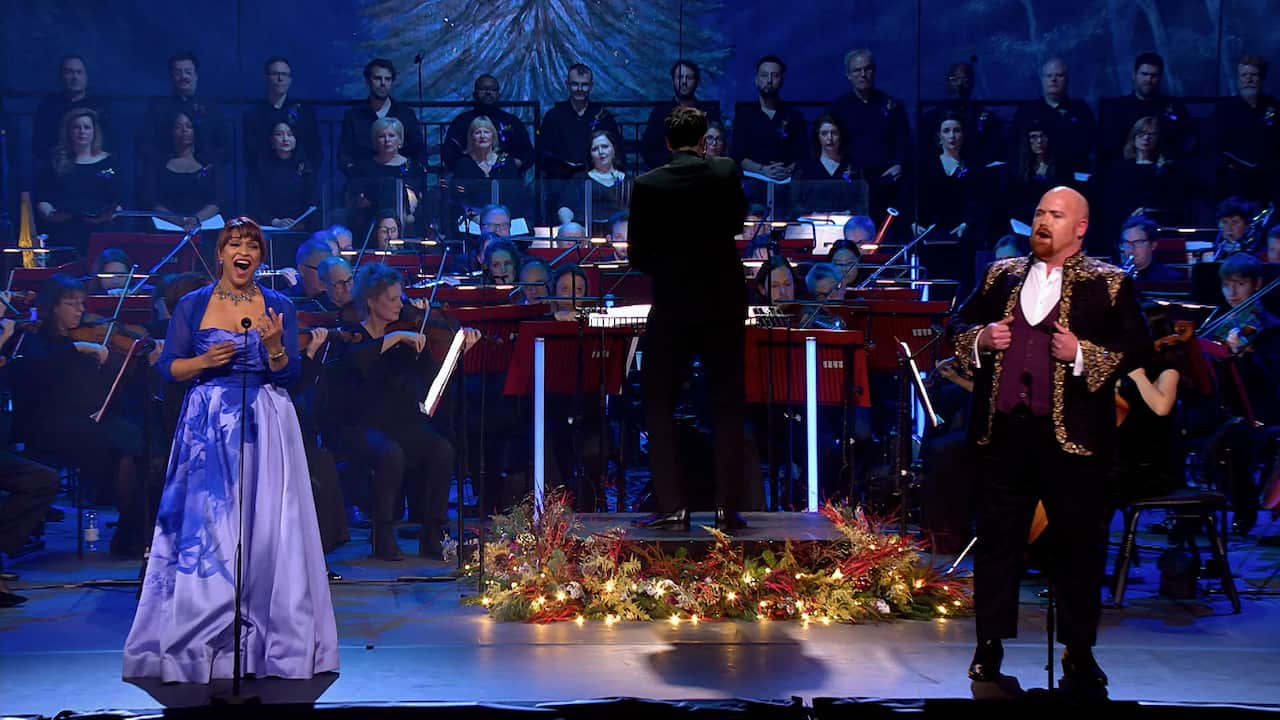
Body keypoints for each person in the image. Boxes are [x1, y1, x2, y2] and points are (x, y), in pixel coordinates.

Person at [947, 186, 1148, 698]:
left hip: (1074, 439)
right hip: (1004, 432)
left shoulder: (1109, 284)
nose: (1043, 221)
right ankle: (988, 645)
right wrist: (980, 339)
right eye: (1039, 212)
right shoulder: (1002, 274)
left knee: (1079, 548)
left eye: (1055, 215)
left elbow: (1136, 349)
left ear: (1079, 227)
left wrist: (1082, 352)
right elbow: (954, 324)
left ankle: (1079, 652)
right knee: (997, 544)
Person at [123, 218, 338, 683]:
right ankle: (204, 637)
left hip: (267, 419)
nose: (244, 252)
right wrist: (202, 362)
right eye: (235, 244)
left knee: (266, 530)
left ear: (261, 257)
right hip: (207, 424)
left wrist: (276, 348)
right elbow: (168, 370)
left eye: (253, 246)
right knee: (211, 529)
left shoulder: (278, 304)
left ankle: (270, 638)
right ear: (220, 253)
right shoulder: (192, 304)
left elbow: (289, 375)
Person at [629, 106, 749, 531]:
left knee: (658, 402)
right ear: (704, 140)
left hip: (674, 305)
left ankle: (672, 505)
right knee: (726, 402)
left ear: (666, 143)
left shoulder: (647, 185)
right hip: (723, 303)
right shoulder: (723, 171)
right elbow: (737, 221)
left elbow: (637, 255)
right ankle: (725, 506)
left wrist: (671, 263)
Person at [329, 263, 479, 559]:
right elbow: (353, 365)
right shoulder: (352, 335)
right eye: (394, 299)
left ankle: (432, 534)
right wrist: (392, 339)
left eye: (401, 298)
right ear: (371, 301)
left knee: (441, 450)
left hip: (400, 422)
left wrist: (457, 355)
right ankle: (382, 535)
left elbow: (433, 380)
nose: (403, 304)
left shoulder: (408, 337)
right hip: (357, 424)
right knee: (390, 453)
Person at [827, 49, 911, 218]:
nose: (863, 74)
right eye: (857, 70)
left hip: (887, 183)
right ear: (848, 75)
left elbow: (904, 141)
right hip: (852, 183)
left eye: (867, 69)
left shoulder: (891, 105)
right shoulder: (838, 108)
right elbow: (829, 144)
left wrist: (899, 165)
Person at [35, 107, 122, 256]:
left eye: (86, 127)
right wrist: (51, 216)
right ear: (68, 131)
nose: (82, 132)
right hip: (64, 232)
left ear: (94, 131)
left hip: (101, 232)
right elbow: (43, 199)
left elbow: (120, 201)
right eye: (77, 127)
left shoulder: (110, 162)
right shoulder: (55, 163)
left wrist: (105, 216)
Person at [1100, 52, 1196, 165]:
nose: (1149, 79)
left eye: (1154, 75)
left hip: (1166, 174)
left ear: (1160, 77)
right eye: (1144, 74)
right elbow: (1107, 147)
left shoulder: (1174, 106)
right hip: (1126, 174)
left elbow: (1189, 140)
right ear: (1134, 75)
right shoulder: (1116, 108)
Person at [732, 55, 807, 195]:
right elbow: (738, 155)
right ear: (756, 80)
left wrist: (788, 170)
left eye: (775, 76)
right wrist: (763, 169)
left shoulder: (794, 116)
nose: (769, 80)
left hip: (788, 186)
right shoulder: (744, 116)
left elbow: (802, 154)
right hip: (752, 186)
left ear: (782, 80)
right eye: (764, 75)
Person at [139, 51, 228, 166]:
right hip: (167, 173)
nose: (184, 77)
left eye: (188, 72)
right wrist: (167, 164)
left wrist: (204, 164)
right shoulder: (158, 109)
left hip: (204, 173)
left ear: (196, 76)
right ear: (171, 77)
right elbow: (144, 145)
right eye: (178, 72)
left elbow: (225, 148)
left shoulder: (211, 108)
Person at [1011, 58, 1096, 177]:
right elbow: (1016, 144)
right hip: (1034, 176)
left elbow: (1088, 143)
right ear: (1042, 80)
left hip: (1072, 175)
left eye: (1059, 75)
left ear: (1067, 80)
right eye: (1049, 76)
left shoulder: (1080, 109)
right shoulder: (1027, 111)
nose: (1053, 79)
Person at [338, 58, 421, 177]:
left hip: (399, 178)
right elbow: (344, 154)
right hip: (364, 179)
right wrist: (354, 173)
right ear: (368, 81)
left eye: (387, 79)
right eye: (377, 78)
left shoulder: (406, 114)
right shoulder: (353, 116)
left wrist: (410, 180)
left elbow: (417, 151)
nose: (383, 83)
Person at [1214, 55, 1280, 204]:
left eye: (1254, 75)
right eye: (1244, 75)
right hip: (1235, 186)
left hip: (1270, 185)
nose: (1249, 79)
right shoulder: (1225, 109)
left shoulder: (1275, 107)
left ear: (1262, 78)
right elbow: (1216, 146)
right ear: (1238, 79)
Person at [143, 111, 221, 232]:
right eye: (178, 127)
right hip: (167, 228)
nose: (184, 130)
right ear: (171, 132)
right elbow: (153, 201)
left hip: (203, 228)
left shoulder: (208, 165)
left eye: (189, 126)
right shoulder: (157, 165)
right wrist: (180, 221)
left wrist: (195, 220)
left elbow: (216, 201)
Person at [538, 64, 619, 181]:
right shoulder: (553, 116)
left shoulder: (603, 117)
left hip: (596, 178)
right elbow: (543, 152)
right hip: (560, 180)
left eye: (585, 85)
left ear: (591, 86)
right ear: (567, 85)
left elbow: (615, 150)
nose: (580, 89)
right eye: (575, 84)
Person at [348, 117, 427, 235]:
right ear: (375, 141)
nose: (387, 140)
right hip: (371, 226)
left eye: (391, 135)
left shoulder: (414, 168)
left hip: (407, 226)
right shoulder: (364, 168)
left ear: (400, 140)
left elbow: (421, 199)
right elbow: (357, 201)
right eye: (382, 136)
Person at [242, 56, 322, 169]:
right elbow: (250, 154)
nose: (280, 79)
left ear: (290, 80)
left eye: (284, 74)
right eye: (275, 74)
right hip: (265, 178)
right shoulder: (252, 115)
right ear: (266, 78)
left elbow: (314, 149)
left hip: (298, 178)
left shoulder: (304, 112)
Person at [641, 60, 723, 170]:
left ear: (696, 81)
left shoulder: (708, 114)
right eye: (679, 77)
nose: (684, 82)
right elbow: (648, 150)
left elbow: (718, 147)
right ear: (673, 81)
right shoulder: (660, 113)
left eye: (689, 78)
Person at [442, 74, 533, 172]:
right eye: (483, 89)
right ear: (475, 94)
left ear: (498, 94)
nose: (488, 92)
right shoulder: (462, 122)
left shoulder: (512, 122)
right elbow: (450, 154)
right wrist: (469, 167)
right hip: (471, 178)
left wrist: (511, 165)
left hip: (505, 179)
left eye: (493, 89)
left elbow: (527, 153)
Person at [32, 54, 111, 166]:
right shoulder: (49, 106)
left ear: (86, 76)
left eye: (79, 72)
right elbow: (39, 145)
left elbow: (109, 143)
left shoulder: (101, 106)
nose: (75, 77)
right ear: (61, 76)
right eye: (69, 72)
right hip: (56, 166)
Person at [920, 61, 1005, 166]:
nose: (959, 84)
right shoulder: (931, 119)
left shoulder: (987, 119)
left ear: (972, 84)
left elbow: (994, 153)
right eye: (954, 79)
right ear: (947, 82)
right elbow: (924, 154)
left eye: (965, 80)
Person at [448, 115, 527, 223]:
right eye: (477, 132)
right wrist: (474, 216)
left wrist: (502, 217)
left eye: (486, 132)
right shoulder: (464, 165)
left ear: (493, 136)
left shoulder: (507, 163)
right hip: (474, 221)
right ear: (471, 138)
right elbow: (458, 199)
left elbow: (518, 197)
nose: (482, 136)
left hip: (506, 220)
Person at [246, 120, 320, 231]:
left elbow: (312, 203)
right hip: (269, 226)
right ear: (271, 139)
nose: (285, 139)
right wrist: (275, 221)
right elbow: (254, 205)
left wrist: (300, 223)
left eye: (290, 134)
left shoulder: (305, 167)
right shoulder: (259, 168)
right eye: (279, 134)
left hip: (300, 226)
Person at [556, 129, 627, 234]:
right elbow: (565, 207)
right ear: (590, 155)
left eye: (605, 147)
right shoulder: (579, 179)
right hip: (585, 232)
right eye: (595, 149)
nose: (601, 152)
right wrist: (570, 227)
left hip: (620, 233)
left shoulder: (628, 180)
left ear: (614, 150)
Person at [793, 115, 866, 215]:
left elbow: (863, 202)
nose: (830, 138)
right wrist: (815, 215)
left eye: (834, 133)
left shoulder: (853, 166)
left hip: (846, 225)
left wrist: (846, 213)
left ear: (841, 136)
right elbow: (794, 203)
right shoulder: (804, 167)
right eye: (824, 133)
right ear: (817, 136)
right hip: (812, 224)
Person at [1006, 122, 1073, 231]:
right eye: (1034, 137)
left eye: (1043, 136)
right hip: (1027, 220)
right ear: (1027, 141)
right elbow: (1015, 200)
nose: (1039, 141)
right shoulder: (1021, 167)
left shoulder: (1062, 165)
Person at [1118, 215, 1181, 285]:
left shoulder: (1171, 279)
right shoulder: (1112, 275)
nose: (1131, 249)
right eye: (1127, 242)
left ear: (1153, 245)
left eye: (1138, 242)